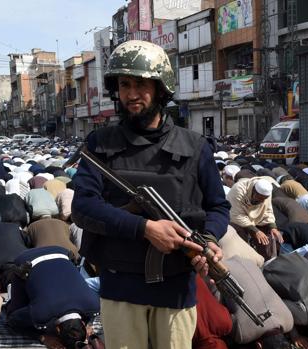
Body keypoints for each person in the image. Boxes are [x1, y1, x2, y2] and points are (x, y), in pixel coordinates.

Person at [71, 40, 230, 348]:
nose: (131, 94)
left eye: (141, 85)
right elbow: (83, 207)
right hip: (120, 288)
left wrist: (208, 241)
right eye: (124, 84)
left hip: (176, 288)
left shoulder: (195, 147)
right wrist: (145, 229)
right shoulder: (99, 144)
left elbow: (218, 207)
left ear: (160, 88)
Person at [6, 247, 100, 349]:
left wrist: (86, 326)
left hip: (61, 252)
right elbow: (13, 320)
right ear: (57, 330)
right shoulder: (41, 314)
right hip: (26, 262)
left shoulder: (94, 305)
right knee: (13, 311)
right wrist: (42, 337)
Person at [227, 177, 283, 261]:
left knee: (270, 237)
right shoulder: (238, 190)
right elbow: (236, 215)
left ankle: (267, 261)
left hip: (256, 218)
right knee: (241, 239)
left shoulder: (267, 193)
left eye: (263, 199)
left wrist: (273, 227)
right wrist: (255, 230)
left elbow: (267, 210)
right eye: (259, 198)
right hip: (237, 220)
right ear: (253, 191)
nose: (261, 201)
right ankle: (245, 259)